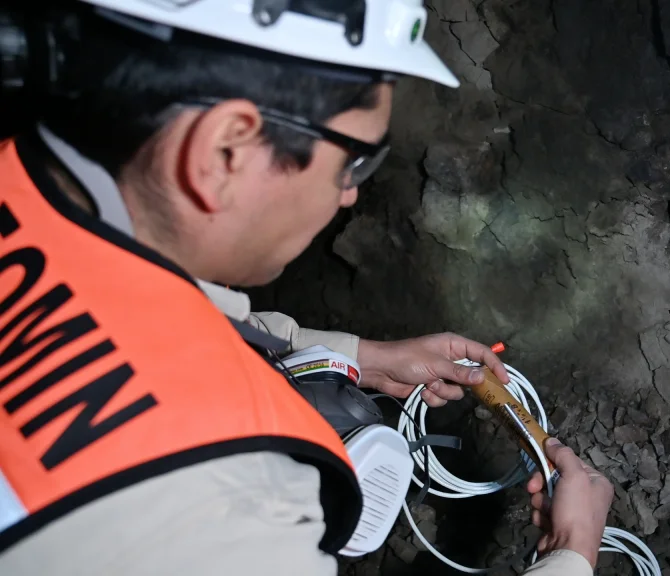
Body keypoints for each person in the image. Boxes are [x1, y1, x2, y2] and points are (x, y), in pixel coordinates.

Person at [0, 1, 613, 575]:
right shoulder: (239, 514)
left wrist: (358, 359)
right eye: (354, 162)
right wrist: (571, 554)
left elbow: (144, 322)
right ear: (224, 151)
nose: (350, 194)